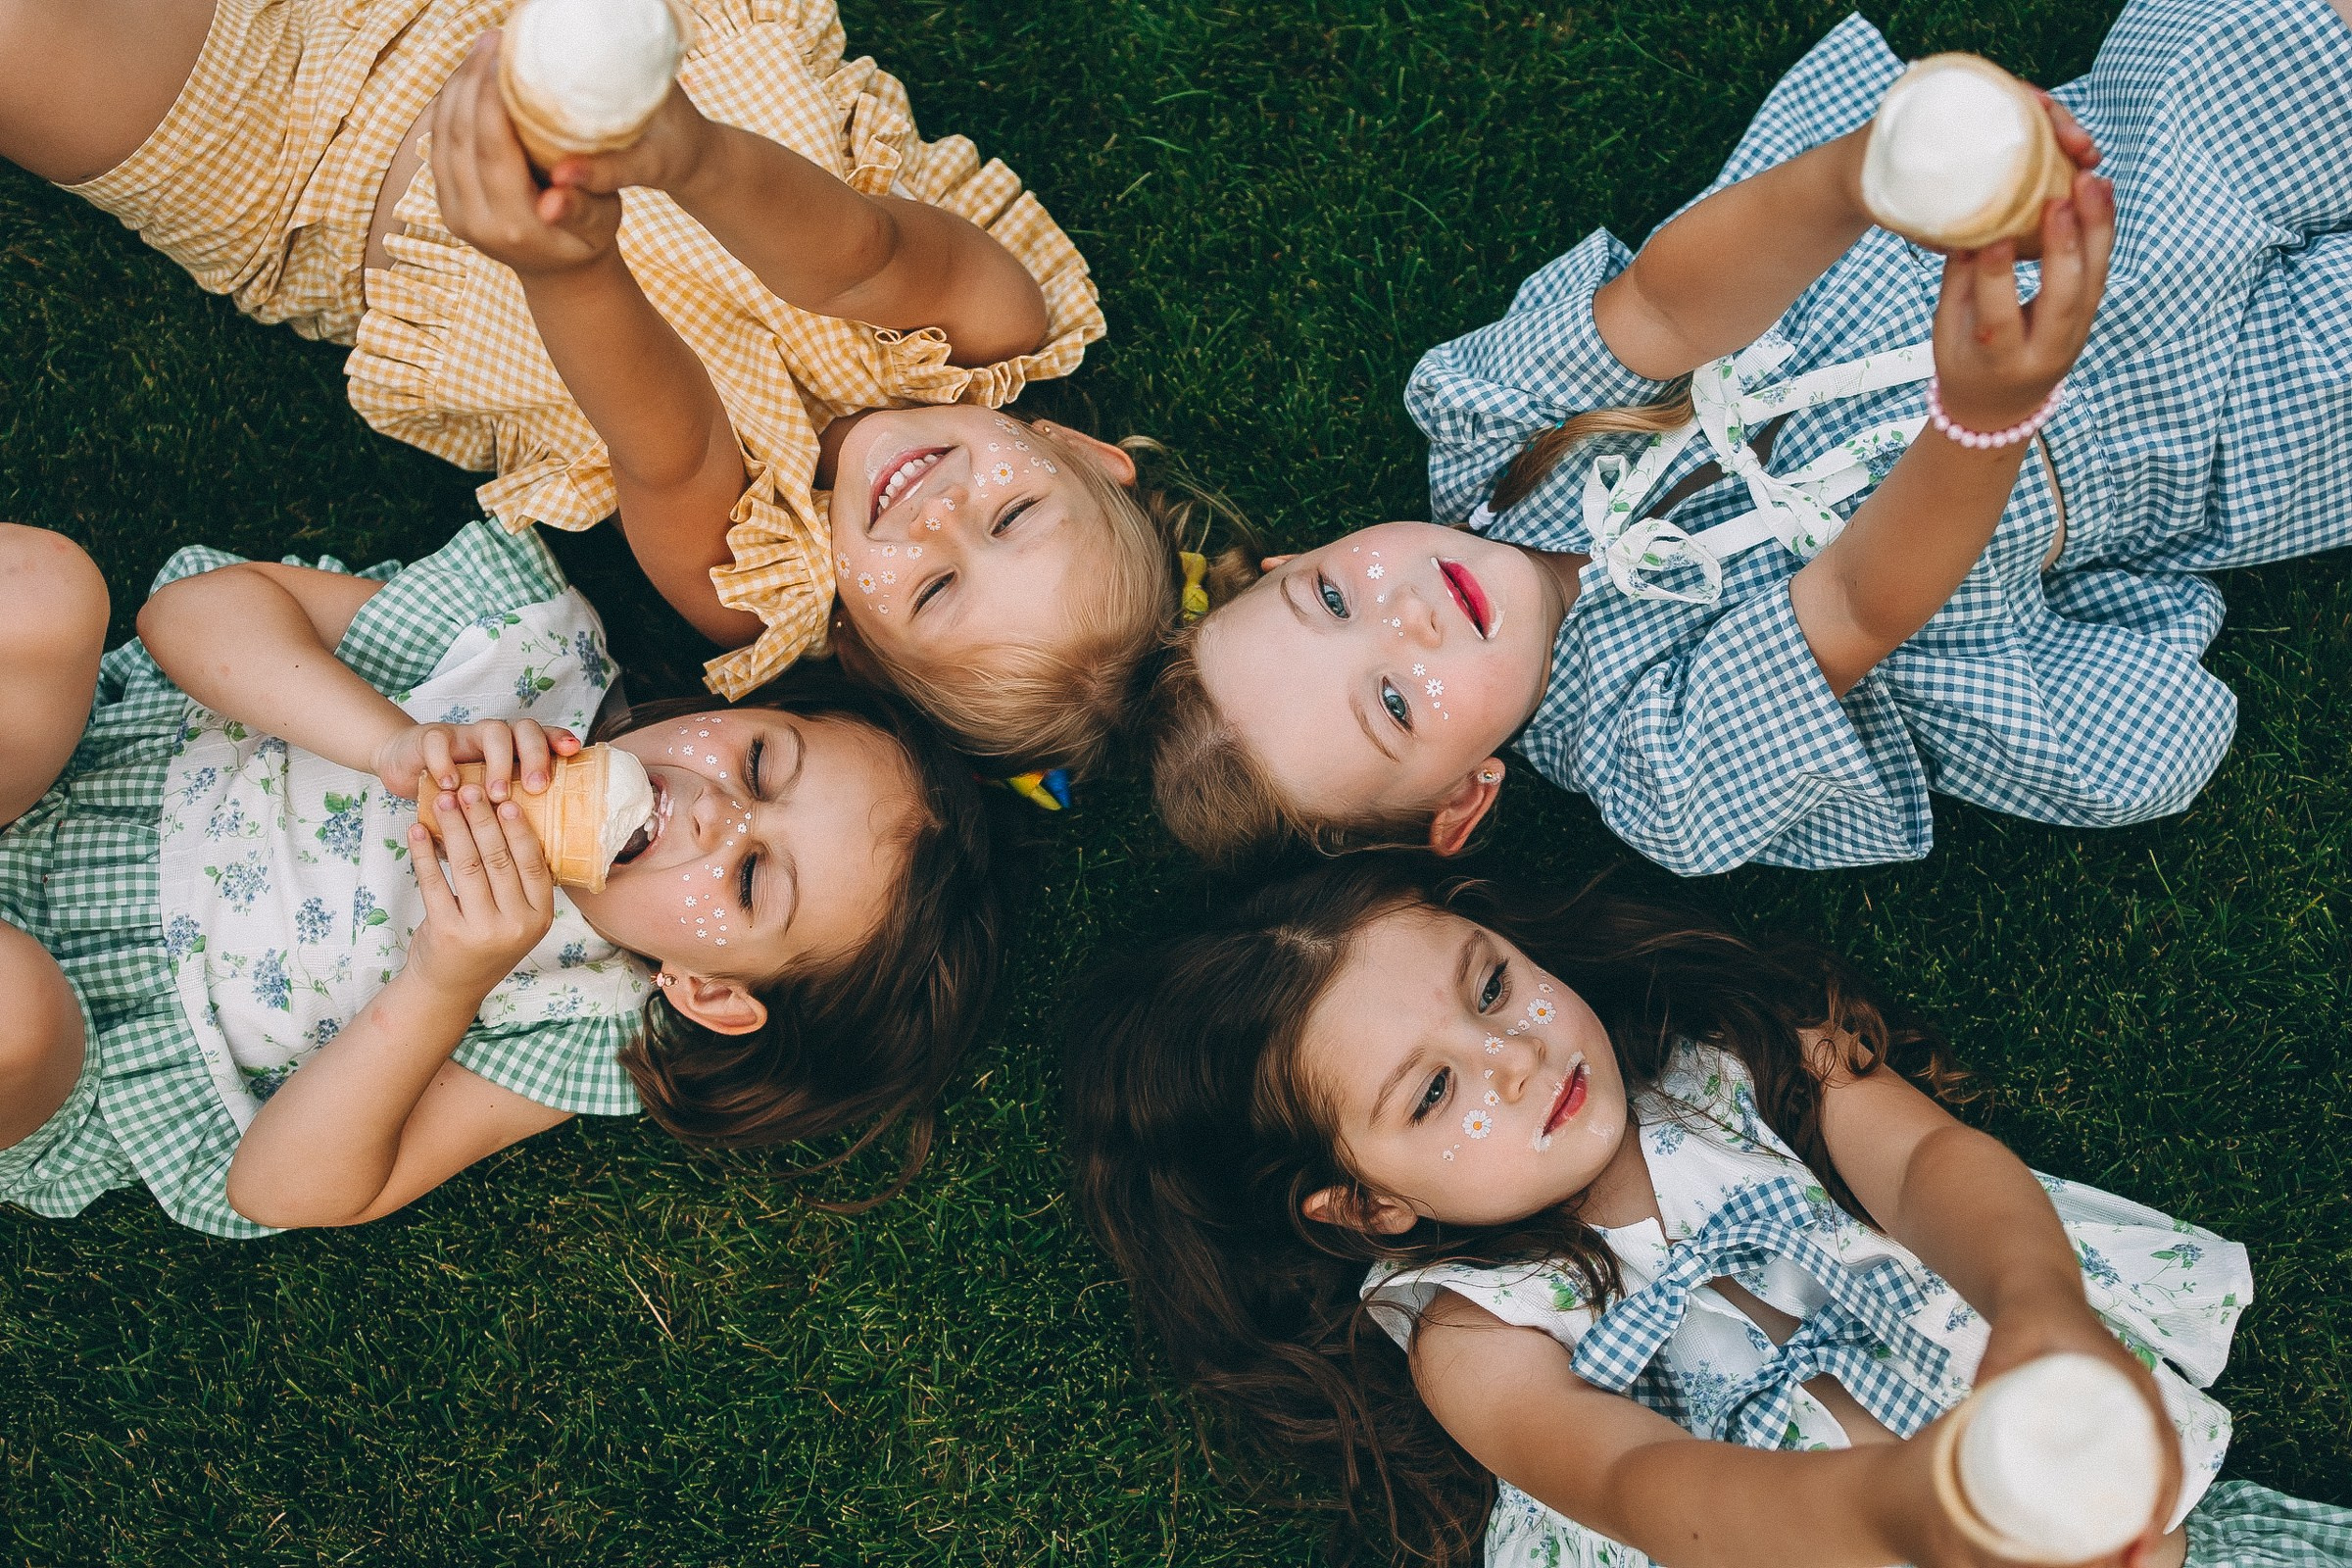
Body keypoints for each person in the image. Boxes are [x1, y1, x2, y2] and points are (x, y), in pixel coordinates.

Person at [1147, 0, 2352, 871]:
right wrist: (1985, 411)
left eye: (1331, 600)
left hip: (2078, 191)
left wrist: (1864, 180)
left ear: (1301, 552)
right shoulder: (1653, 764)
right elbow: (1856, 606)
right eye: (1394, 704)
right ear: (1464, 799)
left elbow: (1665, 309)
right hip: (2181, 443)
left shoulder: (1480, 421)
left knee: (2275, 39)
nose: (1403, 621)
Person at [0, 0, 1207, 773]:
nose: (941, 517)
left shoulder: (761, 586)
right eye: (1014, 514)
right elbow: (864, 256)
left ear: (861, 649)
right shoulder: (991, 332)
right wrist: (684, 152)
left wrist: (565, 263)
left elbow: (671, 450)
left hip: (293, 159)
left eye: (937, 589)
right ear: (1078, 450)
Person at [1064, 858, 2352, 1567]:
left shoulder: (1728, 1057)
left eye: (1492, 987)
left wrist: (2038, 1308)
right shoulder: (1475, 1330)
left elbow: (1930, 1166)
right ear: (1368, 1206)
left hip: (2086, 1479)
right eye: (1436, 1090)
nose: (1514, 1054)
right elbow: (1637, 1481)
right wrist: (1901, 1513)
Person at [0, 516, 997, 1237]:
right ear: (740, 706)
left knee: (18, 1009)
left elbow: (282, 1189)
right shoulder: (528, 652)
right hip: (58, 775)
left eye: (748, 879)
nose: (714, 811)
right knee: (46, 586)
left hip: (84, 1028)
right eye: (762, 761)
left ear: (708, 991)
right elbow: (186, 615)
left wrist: (444, 981)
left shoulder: (580, 1018)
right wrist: (390, 741)